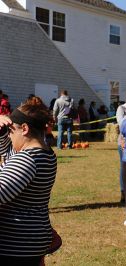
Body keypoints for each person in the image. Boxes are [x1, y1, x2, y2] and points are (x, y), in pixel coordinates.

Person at [0, 96, 57, 265]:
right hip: (30, 241)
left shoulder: (26, 159)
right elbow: (10, 154)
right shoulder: (46, 154)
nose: (9, 137)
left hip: (15, 245)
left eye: (11, 132)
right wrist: (3, 133)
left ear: (24, 128)